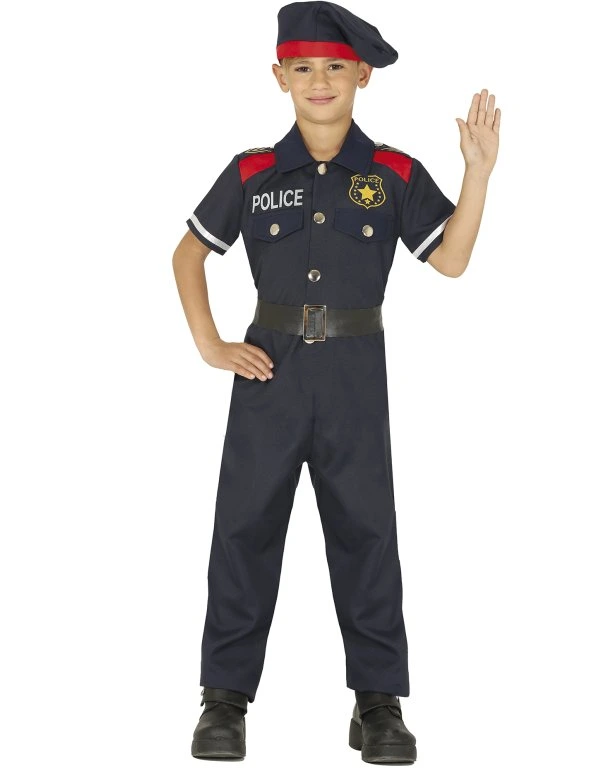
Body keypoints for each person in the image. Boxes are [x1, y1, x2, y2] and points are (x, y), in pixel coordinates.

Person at [172, 1, 500, 762]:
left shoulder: (392, 173)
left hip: (355, 371)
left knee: (366, 531)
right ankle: (224, 699)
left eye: (335, 67)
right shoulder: (252, 172)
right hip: (269, 370)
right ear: (279, 76)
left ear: (362, 77)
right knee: (244, 528)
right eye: (303, 67)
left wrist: (476, 174)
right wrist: (211, 344)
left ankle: (378, 703)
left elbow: (451, 260)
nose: (319, 80)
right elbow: (188, 254)